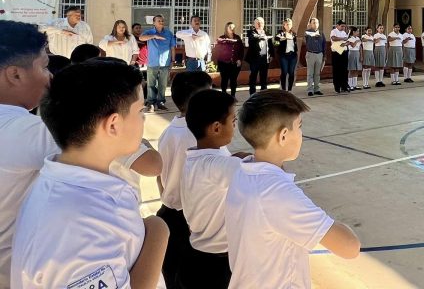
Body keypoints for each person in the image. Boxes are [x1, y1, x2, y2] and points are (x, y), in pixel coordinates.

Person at [12, 59, 168, 289]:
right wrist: (158, 230)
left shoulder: (89, 185)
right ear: (113, 124)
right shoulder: (75, 225)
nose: (143, 120)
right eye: (140, 111)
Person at [225, 90, 360, 288]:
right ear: (284, 135)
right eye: (299, 126)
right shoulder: (277, 193)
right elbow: (349, 247)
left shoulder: (243, 171)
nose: (301, 134)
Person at [0, 21, 58, 289]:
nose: (50, 77)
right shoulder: (27, 130)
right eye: (44, 67)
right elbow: (140, 159)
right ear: (15, 75)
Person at [178, 89, 248, 289]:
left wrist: (237, 157)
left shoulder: (197, 158)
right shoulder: (216, 166)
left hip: (196, 255)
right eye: (233, 121)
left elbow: (227, 163)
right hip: (215, 266)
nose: (235, 127)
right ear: (216, 128)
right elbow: (261, 172)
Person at [157, 71, 213, 289]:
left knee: (174, 276)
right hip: (189, 220)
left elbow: (160, 178)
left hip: (170, 211)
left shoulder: (169, 131)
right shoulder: (198, 136)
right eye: (209, 95)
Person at [140, 15, 176, 112]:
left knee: (163, 84)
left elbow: (172, 48)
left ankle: (160, 102)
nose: (161, 22)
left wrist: (173, 61)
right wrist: (154, 36)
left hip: (165, 63)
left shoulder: (169, 33)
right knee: (151, 84)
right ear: (154, 22)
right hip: (152, 62)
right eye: (158, 20)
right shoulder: (149, 32)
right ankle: (151, 103)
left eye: (162, 21)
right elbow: (141, 38)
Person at [215, 22, 244, 98]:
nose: (232, 29)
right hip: (224, 63)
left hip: (234, 63)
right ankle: (224, 95)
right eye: (230, 27)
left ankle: (233, 96)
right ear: (226, 28)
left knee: (233, 80)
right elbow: (217, 50)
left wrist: (239, 59)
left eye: (233, 27)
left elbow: (241, 50)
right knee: (224, 80)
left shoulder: (237, 37)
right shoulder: (222, 38)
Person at [245, 17, 272, 94]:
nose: (260, 24)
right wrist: (261, 37)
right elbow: (251, 39)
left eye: (261, 23)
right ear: (255, 24)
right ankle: (252, 94)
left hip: (264, 58)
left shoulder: (267, 33)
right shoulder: (251, 32)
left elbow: (270, 45)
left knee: (263, 77)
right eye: (258, 23)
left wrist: (272, 55)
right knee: (253, 76)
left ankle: (263, 93)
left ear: (264, 24)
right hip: (254, 59)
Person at [275, 18, 298, 92]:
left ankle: (290, 89)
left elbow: (295, 44)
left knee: (291, 72)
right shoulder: (281, 32)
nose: (288, 26)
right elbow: (276, 39)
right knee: (284, 72)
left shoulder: (294, 33)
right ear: (284, 25)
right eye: (287, 24)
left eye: (290, 24)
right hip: (284, 55)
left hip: (292, 55)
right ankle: (283, 89)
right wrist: (283, 38)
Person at [304, 18, 325, 97]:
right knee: (310, 73)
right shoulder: (307, 32)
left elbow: (324, 44)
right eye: (314, 23)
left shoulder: (321, 33)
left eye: (317, 22)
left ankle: (317, 89)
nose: (315, 24)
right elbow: (304, 37)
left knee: (317, 73)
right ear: (310, 24)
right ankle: (310, 89)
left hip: (319, 54)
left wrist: (324, 55)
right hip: (311, 54)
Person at [330, 20, 350, 93]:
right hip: (336, 52)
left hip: (344, 51)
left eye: (344, 26)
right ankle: (337, 87)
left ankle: (344, 86)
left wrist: (347, 43)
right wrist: (342, 39)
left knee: (344, 70)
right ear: (337, 26)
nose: (343, 28)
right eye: (341, 26)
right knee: (337, 70)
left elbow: (345, 41)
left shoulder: (344, 32)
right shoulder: (334, 31)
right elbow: (333, 38)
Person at [346, 27, 362, 91]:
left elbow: (360, 47)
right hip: (352, 53)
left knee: (356, 69)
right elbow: (352, 45)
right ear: (353, 32)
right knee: (351, 69)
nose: (358, 33)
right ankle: (350, 85)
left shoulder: (358, 38)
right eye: (357, 31)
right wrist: (356, 41)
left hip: (357, 53)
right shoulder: (350, 39)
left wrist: (361, 55)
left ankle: (355, 85)